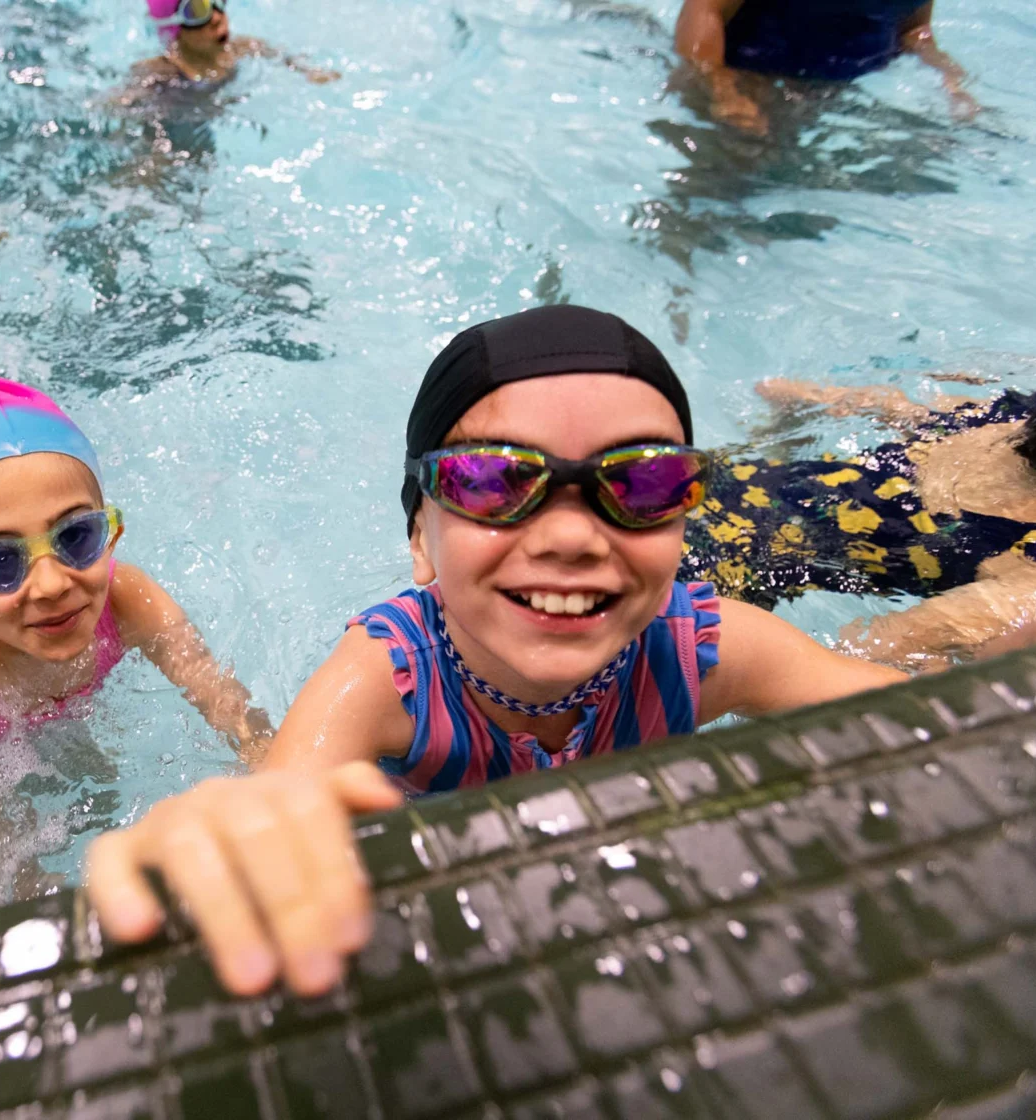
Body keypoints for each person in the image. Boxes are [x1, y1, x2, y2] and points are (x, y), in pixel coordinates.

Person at [84, 305, 905, 995]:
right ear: (419, 539)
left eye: (643, 482)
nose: (575, 535)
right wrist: (229, 837)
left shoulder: (708, 649)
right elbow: (283, 808)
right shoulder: (387, 679)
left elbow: (936, 729)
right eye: (492, 481)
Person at [0, 375, 272, 934]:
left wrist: (269, 778)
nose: (52, 584)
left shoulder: (129, 600)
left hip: (49, 737)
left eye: (76, 536)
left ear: (111, 531)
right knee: (2, 890)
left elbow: (234, 713)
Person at [688, 378, 1036, 669]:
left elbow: (785, 391)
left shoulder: (1006, 412)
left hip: (704, 488)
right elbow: (866, 650)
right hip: (721, 575)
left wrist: (782, 440)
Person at [674, 1, 975, 135]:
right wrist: (722, 90)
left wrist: (951, 83)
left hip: (826, 94)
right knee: (716, 190)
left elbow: (914, 29)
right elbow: (704, 10)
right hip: (746, 82)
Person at [129, 0, 340, 92]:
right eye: (197, 10)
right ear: (174, 27)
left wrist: (311, 72)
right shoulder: (160, 74)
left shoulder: (240, 48)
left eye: (217, 1)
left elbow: (279, 55)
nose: (217, 17)